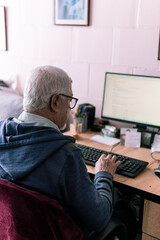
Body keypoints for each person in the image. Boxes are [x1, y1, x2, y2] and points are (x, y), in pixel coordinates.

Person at [0, 65, 122, 239]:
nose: (70, 108)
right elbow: (99, 219)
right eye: (70, 100)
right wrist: (104, 175)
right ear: (55, 101)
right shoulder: (65, 155)